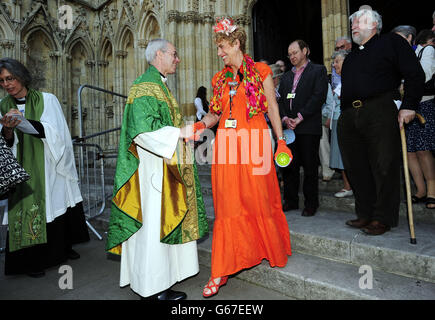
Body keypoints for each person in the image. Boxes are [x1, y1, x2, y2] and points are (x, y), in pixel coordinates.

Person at [189, 18, 292, 298]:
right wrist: (196, 127)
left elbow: (272, 106)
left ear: (236, 44)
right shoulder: (219, 79)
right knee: (228, 203)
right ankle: (222, 267)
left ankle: (264, 247)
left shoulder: (260, 71)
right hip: (227, 146)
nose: (220, 53)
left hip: (256, 141)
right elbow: (215, 114)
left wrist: (281, 141)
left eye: (222, 47)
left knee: (257, 197)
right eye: (218, 48)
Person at [106, 39, 209, 300]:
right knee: (152, 228)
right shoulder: (144, 87)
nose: (178, 59)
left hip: (163, 164)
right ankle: (152, 288)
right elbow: (141, 132)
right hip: (152, 167)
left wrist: (183, 134)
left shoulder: (157, 86)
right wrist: (182, 132)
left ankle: (160, 282)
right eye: (174, 54)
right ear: (159, 54)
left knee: (159, 226)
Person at [338, 9, 425, 235]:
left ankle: (382, 217)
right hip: (350, 114)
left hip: (380, 109)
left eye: (359, 21)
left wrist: (409, 105)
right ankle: (365, 213)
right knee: (356, 167)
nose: (353, 25)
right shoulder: (352, 56)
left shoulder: (391, 43)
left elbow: (415, 74)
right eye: (352, 22)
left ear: (374, 25)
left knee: (383, 165)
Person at [0, 58, 89, 277]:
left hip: (49, 162)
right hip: (20, 165)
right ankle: (31, 262)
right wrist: (9, 130)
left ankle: (61, 250)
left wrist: (25, 123)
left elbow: (58, 132)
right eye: (2, 81)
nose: (6, 84)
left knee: (55, 205)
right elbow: (5, 142)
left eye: (10, 78)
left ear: (21, 76)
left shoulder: (47, 100)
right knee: (25, 210)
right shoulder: (2, 106)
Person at [278, 40, 329, 216]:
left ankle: (310, 204)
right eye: (289, 54)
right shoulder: (285, 77)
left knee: (309, 167)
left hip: (308, 126)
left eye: (295, 52)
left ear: (305, 51)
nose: (292, 56)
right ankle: (290, 201)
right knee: (288, 166)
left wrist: (299, 117)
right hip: (289, 129)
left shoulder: (318, 71)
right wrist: (285, 118)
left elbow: (318, 96)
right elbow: (279, 101)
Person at [406, 30, 435, 209]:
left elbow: (424, 75)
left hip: (423, 104)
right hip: (410, 105)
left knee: (423, 149)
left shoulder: (429, 50)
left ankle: (432, 191)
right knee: (410, 151)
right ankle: (420, 190)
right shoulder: (413, 53)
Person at [324, 50, 353, 198]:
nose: (333, 64)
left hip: (347, 120)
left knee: (348, 154)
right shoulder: (340, 80)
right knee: (341, 154)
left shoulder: (353, 79)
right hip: (337, 119)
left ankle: (352, 185)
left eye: (337, 61)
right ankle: (347, 186)